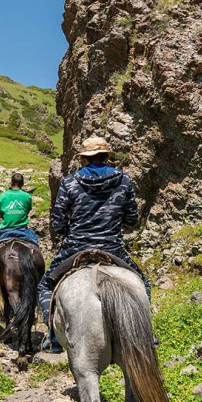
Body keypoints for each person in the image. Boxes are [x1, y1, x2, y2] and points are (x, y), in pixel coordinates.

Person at [38, 136, 151, 353]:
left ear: (83, 159)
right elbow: (131, 219)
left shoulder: (70, 182)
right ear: (107, 157)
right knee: (143, 284)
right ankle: (147, 333)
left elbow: (58, 223)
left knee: (45, 285)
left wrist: (68, 231)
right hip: (112, 248)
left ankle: (53, 335)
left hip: (75, 248)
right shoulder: (124, 181)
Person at [0, 173, 39, 265]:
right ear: (22, 183)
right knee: (35, 243)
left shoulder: (3, 196)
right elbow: (27, 211)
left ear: (11, 182)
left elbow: (0, 214)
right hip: (22, 229)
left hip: (5, 230)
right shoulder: (27, 196)